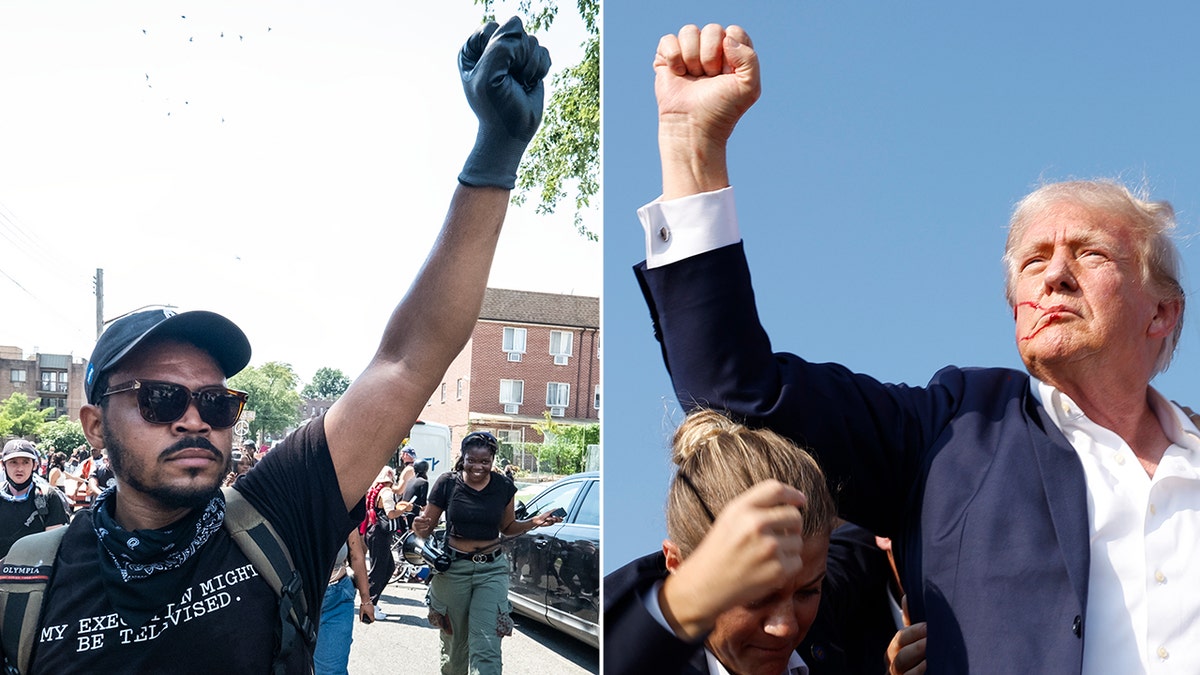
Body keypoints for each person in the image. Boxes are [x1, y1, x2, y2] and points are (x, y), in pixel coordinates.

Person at [633, 23, 1199, 673]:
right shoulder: (948, 429)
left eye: (1089, 252)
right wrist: (691, 148)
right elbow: (735, 390)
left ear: (1162, 311)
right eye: (1032, 260)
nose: (1054, 273)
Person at [0, 16, 551, 672]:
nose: (194, 417)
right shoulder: (27, 585)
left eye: (216, 400)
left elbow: (406, 361)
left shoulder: (275, 514)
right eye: (160, 398)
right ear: (94, 424)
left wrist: (494, 152)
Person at [604, 410, 837, 674]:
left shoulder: (844, 638)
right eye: (756, 596)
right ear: (677, 564)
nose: (786, 627)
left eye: (807, 592)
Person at [412, 431, 563, 675]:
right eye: (472, 459)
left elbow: (507, 527)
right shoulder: (447, 482)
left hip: (491, 571)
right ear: (463, 456)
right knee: (454, 648)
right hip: (453, 569)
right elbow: (425, 526)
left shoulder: (503, 486)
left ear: (493, 459)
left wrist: (535, 521)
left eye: (485, 461)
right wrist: (418, 526)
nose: (478, 467)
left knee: (488, 645)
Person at [312, 529, 373, 675]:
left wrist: (366, 600)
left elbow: (356, 555)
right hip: (293, 601)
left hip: (336, 598)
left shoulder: (343, 507)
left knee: (332, 671)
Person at [0, 440, 71, 558]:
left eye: (26, 462)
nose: (20, 468)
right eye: (13, 462)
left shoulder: (48, 496)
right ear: (3, 465)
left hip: (36, 571)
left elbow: (54, 544)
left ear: (35, 465)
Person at [361, 466, 406, 619]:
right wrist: (404, 509)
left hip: (374, 531)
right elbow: (391, 513)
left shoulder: (376, 490)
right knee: (379, 571)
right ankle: (370, 604)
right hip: (380, 534)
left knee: (387, 568)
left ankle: (373, 600)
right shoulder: (386, 492)